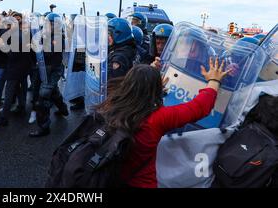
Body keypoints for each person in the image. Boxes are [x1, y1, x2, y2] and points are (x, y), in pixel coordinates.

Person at [94, 57, 230, 188]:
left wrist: (151, 84)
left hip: (106, 176)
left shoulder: (111, 103)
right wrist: (214, 80)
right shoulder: (157, 119)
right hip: (140, 183)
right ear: (154, 90)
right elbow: (199, 107)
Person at [29, 13, 69, 137]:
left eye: (51, 24)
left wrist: (36, 46)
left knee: (43, 96)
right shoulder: (42, 34)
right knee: (54, 91)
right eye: (47, 23)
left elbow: (49, 53)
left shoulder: (59, 37)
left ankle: (44, 127)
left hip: (53, 70)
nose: (48, 25)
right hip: (43, 68)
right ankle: (63, 110)